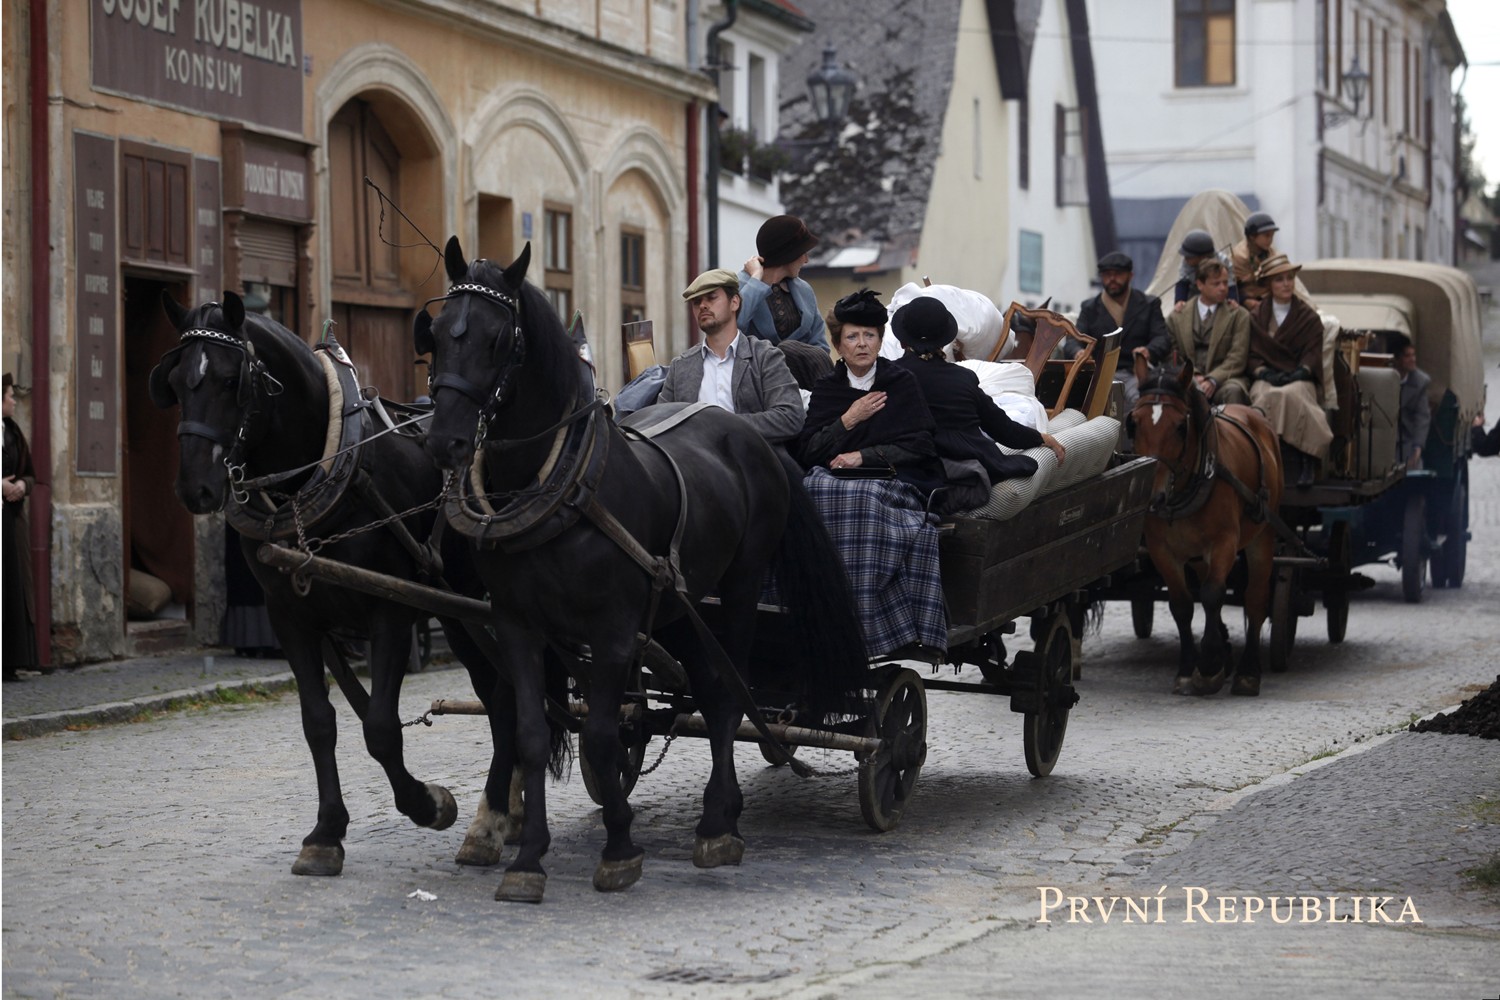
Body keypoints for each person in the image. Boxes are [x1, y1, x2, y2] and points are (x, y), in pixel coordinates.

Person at [795, 290, 946, 657]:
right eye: (852, 336)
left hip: (891, 483)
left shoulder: (900, 382)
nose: (861, 344)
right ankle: (815, 604)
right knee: (809, 492)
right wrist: (850, 419)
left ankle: (863, 614)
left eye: (869, 335)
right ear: (838, 345)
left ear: (880, 340)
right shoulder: (828, 389)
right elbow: (807, 451)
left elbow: (920, 446)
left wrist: (864, 456)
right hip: (832, 483)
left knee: (863, 499)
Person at [890, 295, 1065, 484]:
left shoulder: (888, 377)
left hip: (908, 474)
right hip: (961, 477)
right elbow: (1003, 429)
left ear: (902, 341)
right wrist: (1042, 437)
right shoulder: (963, 379)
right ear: (944, 341)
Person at [657, 268, 805, 444]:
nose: (703, 305)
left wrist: (724, 425)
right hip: (693, 466)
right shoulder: (681, 366)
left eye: (711, 297)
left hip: (754, 463)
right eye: (696, 302)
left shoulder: (765, 357)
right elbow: (661, 422)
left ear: (734, 302)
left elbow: (790, 417)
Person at [1248, 254, 1331, 487]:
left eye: (1290, 278)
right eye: (1279, 279)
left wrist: (1300, 372)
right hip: (1268, 376)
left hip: (1299, 377)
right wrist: (1264, 373)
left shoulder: (1309, 317)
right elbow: (1252, 354)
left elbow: (1313, 353)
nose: (1286, 284)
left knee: (1293, 394)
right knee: (1262, 396)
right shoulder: (1256, 317)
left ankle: (1306, 460)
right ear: (1269, 285)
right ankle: (1261, 460)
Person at [1075, 250, 1171, 409]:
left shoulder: (1149, 304)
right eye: (1107, 274)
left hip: (1135, 372)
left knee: (1140, 403)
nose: (1112, 279)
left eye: (1118, 274)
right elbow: (1075, 339)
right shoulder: (1089, 308)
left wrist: (1148, 351)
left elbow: (1162, 338)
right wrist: (1078, 352)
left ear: (1130, 276)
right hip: (1098, 374)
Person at [1164, 259, 1252, 406]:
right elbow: (1173, 354)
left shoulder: (1239, 315)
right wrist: (1195, 376)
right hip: (1188, 377)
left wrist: (1213, 379)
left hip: (1225, 379)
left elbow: (1237, 357)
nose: (1223, 288)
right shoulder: (1178, 316)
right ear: (1200, 284)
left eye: (1225, 282)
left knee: (1233, 391)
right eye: (1216, 283)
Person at [737, 214, 830, 351]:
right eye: (803, 253)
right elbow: (734, 328)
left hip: (802, 371)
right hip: (757, 371)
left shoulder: (804, 290)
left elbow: (821, 347)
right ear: (788, 254)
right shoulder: (740, 286)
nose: (806, 260)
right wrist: (756, 280)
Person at [4, 372, 39, 681]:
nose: (15, 400)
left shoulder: (13, 432)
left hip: (12, 522)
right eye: (10, 396)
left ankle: (13, 659)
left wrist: (21, 488)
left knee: (15, 588)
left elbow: (30, 473)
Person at [1389, 333, 1431, 471]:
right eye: (1407, 356)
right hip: (1386, 439)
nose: (1413, 359)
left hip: (1407, 440)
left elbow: (1422, 417)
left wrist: (1418, 447)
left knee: (1414, 471)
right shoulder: (1385, 379)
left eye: (1413, 355)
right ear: (1397, 359)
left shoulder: (1420, 382)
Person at [1172, 228, 1238, 309]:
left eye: (1189, 256)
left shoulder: (1223, 262)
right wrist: (1179, 301)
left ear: (1202, 257)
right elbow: (1182, 283)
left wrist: (1233, 300)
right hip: (1194, 298)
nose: (1185, 258)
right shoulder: (1186, 262)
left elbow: (1231, 285)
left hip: (1220, 299)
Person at [1232, 211, 1280, 310]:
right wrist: (1245, 300)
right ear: (1252, 236)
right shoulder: (1239, 257)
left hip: (1271, 299)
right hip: (1246, 303)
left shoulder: (1271, 253)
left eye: (1272, 236)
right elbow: (1232, 287)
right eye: (1266, 236)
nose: (1270, 240)